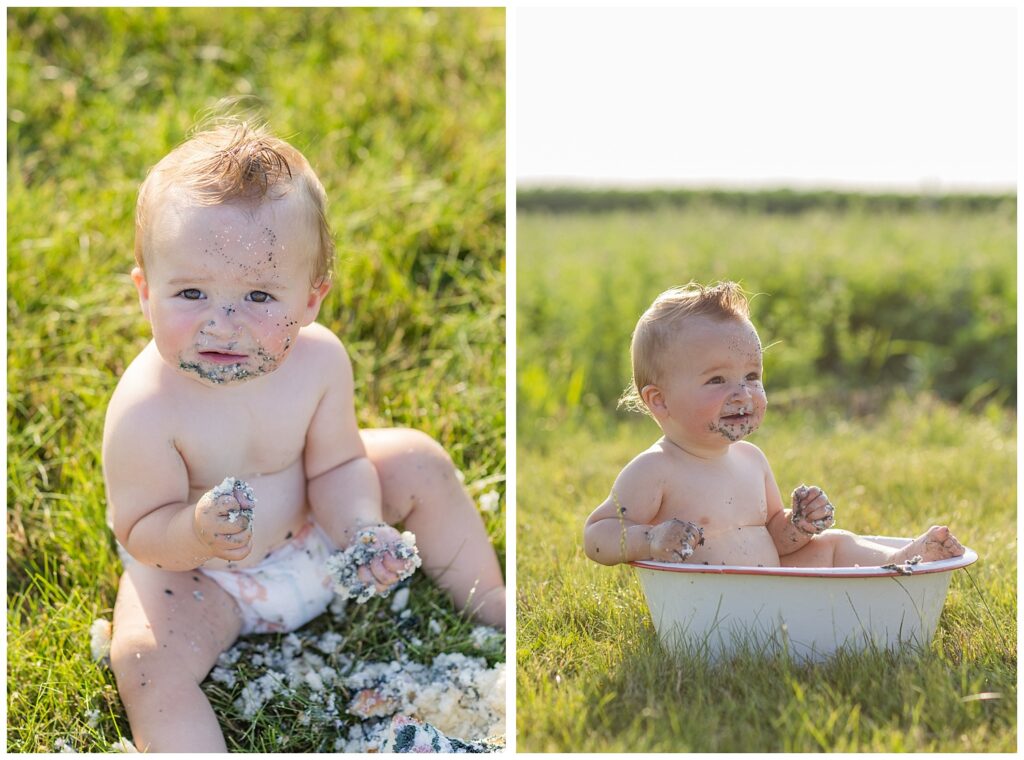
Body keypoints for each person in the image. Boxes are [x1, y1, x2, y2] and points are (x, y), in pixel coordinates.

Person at [103, 121, 506, 752]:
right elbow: (142, 531)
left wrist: (361, 530)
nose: (223, 322)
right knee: (144, 660)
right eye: (190, 293)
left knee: (417, 459)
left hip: (318, 535)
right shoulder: (146, 408)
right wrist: (197, 534)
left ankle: (495, 606)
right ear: (144, 292)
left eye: (259, 295)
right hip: (206, 579)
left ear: (312, 299)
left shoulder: (318, 362)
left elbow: (338, 466)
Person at [583, 280, 964, 569]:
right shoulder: (656, 469)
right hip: (708, 601)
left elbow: (775, 539)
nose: (742, 393)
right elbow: (596, 536)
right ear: (659, 400)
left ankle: (902, 561)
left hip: (770, 588)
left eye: (752, 376)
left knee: (834, 543)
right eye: (717, 380)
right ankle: (893, 572)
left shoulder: (751, 459)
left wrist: (798, 524)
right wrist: (651, 539)